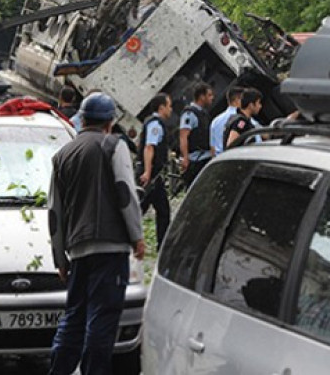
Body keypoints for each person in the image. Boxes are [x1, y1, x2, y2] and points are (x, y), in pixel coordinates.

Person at [48, 92, 146, 375]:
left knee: (74, 317)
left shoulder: (62, 155)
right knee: (102, 319)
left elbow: (54, 214)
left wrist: (60, 259)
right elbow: (126, 194)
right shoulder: (113, 146)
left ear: (83, 119)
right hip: (110, 247)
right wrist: (137, 236)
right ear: (110, 122)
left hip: (78, 250)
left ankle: (59, 369)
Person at [138, 92, 172, 250]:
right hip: (151, 175)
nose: (171, 109)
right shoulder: (155, 124)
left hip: (153, 175)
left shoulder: (153, 122)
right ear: (161, 107)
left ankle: (162, 243)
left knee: (159, 208)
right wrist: (147, 172)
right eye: (169, 106)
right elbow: (149, 147)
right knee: (144, 208)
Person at [179, 82, 214, 189]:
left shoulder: (203, 113)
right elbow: (183, 136)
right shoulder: (190, 114)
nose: (212, 98)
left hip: (206, 157)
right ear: (201, 97)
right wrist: (185, 158)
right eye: (209, 95)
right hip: (196, 160)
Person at [210, 85, 244, 156]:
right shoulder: (242, 117)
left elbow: (213, 149)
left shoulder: (215, 121)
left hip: (221, 161)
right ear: (237, 100)